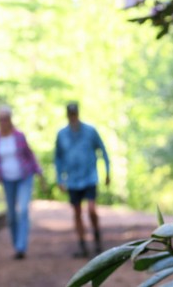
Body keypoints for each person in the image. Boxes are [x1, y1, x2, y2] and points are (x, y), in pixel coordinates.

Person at [0, 105, 43, 260]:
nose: (3, 121)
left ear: (10, 120)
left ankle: (21, 247)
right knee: (11, 215)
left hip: (24, 176)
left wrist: (40, 174)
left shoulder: (19, 136)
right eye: (0, 119)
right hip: (7, 180)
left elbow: (30, 155)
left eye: (5, 118)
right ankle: (16, 243)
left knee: (22, 210)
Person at [54, 102, 110, 258]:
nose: (73, 116)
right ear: (67, 115)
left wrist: (107, 171)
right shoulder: (62, 134)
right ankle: (82, 245)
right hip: (72, 179)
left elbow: (102, 150)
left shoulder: (90, 131)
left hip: (90, 177)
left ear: (78, 114)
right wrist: (60, 178)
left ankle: (97, 237)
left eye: (75, 114)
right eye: (70, 114)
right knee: (77, 212)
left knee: (91, 209)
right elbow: (58, 158)